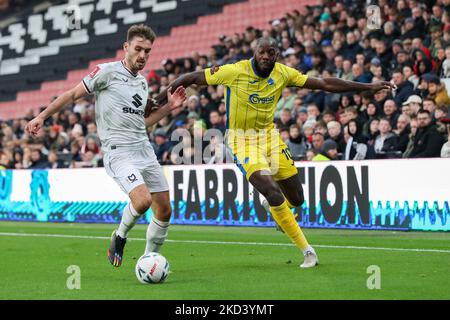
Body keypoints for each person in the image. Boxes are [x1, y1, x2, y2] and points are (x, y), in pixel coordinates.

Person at [152, 37, 393, 268]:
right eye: (262, 52)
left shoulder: (283, 73)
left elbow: (324, 83)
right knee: (273, 192)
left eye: (271, 53)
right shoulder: (234, 71)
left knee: (297, 199)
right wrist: (158, 99)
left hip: (270, 138)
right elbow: (190, 77)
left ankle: (274, 207)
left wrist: (367, 87)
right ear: (254, 53)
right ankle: (307, 251)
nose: (266, 56)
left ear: (276, 55)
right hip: (242, 141)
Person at [25, 24, 187, 268]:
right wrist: (42, 116)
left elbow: (144, 123)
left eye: (148, 51)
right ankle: (119, 236)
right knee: (142, 201)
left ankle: (148, 260)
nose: (143, 55)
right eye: (138, 49)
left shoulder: (142, 84)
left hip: (143, 149)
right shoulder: (106, 72)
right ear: (126, 47)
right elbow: (71, 95)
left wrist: (169, 108)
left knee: (164, 210)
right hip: (119, 152)